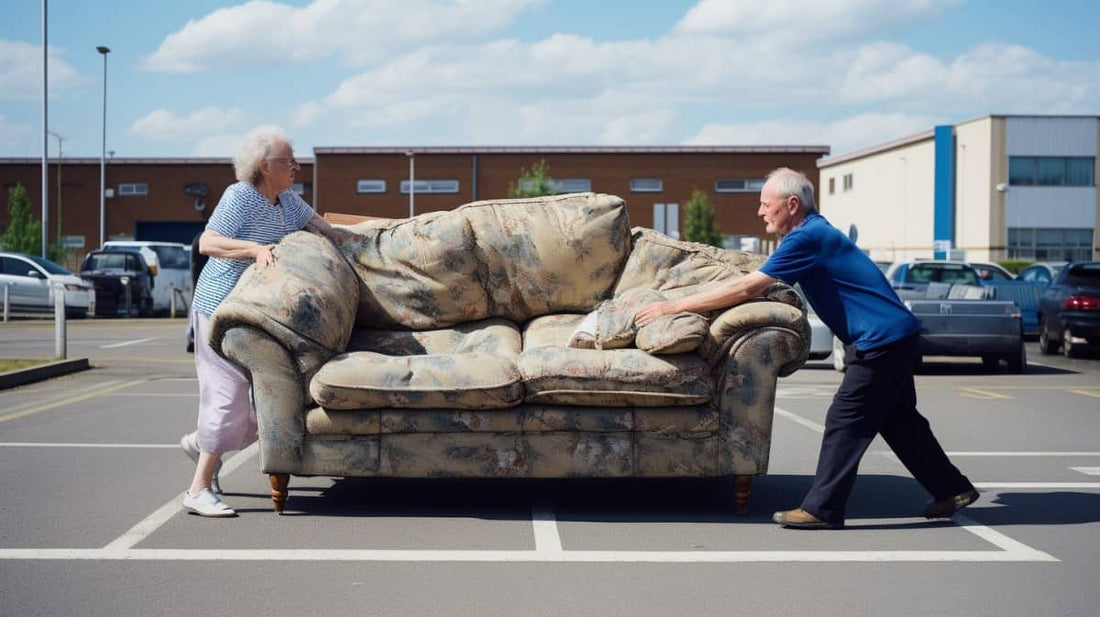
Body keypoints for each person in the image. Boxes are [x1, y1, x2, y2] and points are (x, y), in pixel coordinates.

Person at [635, 167, 978, 530]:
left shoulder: (806, 238)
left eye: (766, 204)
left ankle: (823, 508)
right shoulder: (811, 234)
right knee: (901, 423)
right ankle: (953, 488)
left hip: (882, 342)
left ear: (792, 204)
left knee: (844, 420)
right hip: (891, 337)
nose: (760, 211)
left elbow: (747, 288)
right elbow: (753, 280)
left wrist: (671, 307)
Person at [180, 125, 338, 517]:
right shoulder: (241, 197)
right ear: (265, 166)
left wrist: (374, 239)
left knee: (268, 406)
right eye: (289, 161)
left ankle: (200, 441)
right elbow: (208, 242)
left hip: (258, 315)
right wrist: (253, 249)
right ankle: (197, 490)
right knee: (228, 396)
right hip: (220, 310)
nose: (297, 167)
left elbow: (325, 228)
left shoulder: (287, 202)